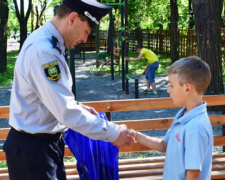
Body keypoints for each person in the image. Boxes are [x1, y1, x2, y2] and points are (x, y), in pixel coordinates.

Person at [3, 0, 135, 179]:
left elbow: (50, 97)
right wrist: (114, 133)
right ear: (73, 18)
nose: (85, 39)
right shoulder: (44, 51)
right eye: (87, 31)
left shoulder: (51, 43)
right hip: (33, 151)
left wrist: (78, 106)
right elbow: (67, 113)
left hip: (43, 146)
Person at [131, 56, 213, 180]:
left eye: (171, 85)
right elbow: (164, 145)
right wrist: (136, 135)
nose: (168, 90)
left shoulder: (195, 127)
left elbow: (193, 174)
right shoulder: (183, 115)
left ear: (187, 88)